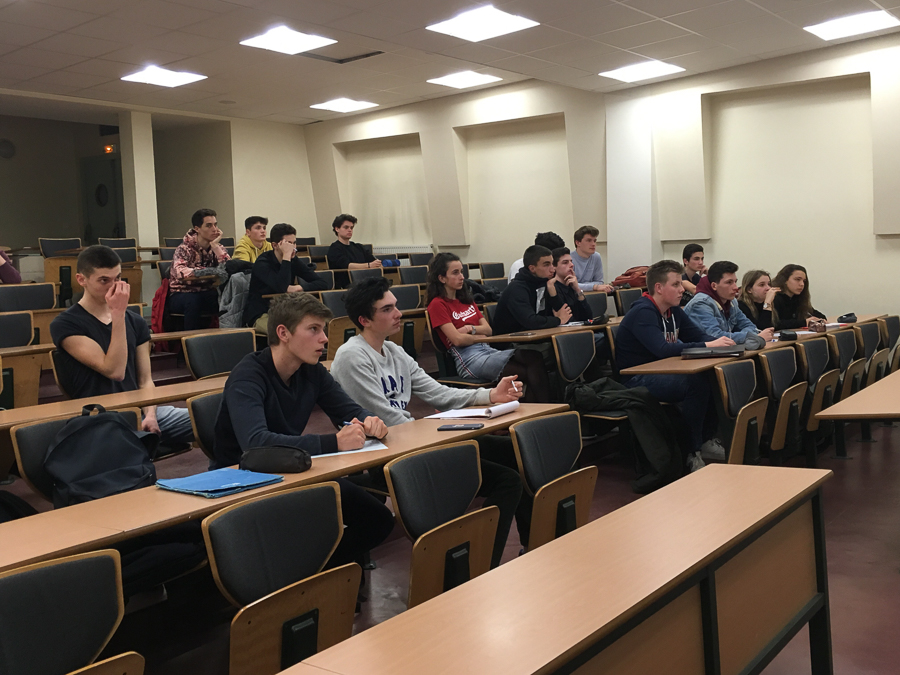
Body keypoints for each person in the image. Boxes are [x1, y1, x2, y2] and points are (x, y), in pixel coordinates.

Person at [331, 277, 527, 567]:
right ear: (364, 320)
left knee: (515, 452)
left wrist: (490, 395)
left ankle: (531, 545)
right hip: (385, 455)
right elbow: (385, 419)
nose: (398, 314)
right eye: (387, 309)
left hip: (414, 442)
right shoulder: (351, 357)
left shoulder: (395, 351)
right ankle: (482, 567)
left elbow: (438, 393)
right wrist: (432, 431)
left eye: (396, 306)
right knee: (506, 481)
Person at [213, 292, 395, 571]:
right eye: (313, 329)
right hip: (243, 480)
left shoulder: (312, 371)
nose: (324, 339)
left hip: (295, 470)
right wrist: (333, 442)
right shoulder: (248, 375)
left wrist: (370, 421)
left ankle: (320, 573)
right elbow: (256, 444)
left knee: (378, 519)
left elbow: (349, 410)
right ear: (283, 333)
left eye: (323, 330)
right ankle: (304, 575)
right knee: (318, 525)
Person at [50, 246, 194, 446]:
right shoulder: (66, 324)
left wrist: (150, 415)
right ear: (81, 280)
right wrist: (118, 314)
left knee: (213, 416)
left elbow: (145, 381)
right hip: (101, 418)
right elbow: (115, 370)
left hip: (139, 411)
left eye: (117, 278)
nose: (114, 287)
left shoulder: (135, 321)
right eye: (104, 280)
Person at [615, 260, 734, 472]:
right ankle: (691, 451)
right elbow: (662, 349)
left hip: (664, 372)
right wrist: (707, 345)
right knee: (695, 384)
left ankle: (706, 439)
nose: (682, 290)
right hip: (634, 379)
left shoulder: (674, 311)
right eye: (676, 284)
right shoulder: (643, 312)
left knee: (713, 377)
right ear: (659, 288)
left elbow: (699, 336)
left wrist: (722, 344)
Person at [426, 253, 550, 402]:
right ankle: (544, 408)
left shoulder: (466, 299)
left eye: (461, 272)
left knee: (534, 357)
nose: (462, 277)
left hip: (487, 350)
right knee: (528, 371)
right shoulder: (437, 304)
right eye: (455, 273)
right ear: (442, 278)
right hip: (469, 359)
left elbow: (488, 330)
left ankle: (541, 409)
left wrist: (469, 329)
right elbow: (457, 340)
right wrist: (478, 336)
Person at [244, 223, 328, 334]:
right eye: (288, 243)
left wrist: (300, 287)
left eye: (294, 243)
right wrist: (286, 257)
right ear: (275, 245)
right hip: (261, 313)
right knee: (287, 333)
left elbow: (323, 283)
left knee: (319, 325)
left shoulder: (293, 260)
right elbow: (282, 287)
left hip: (286, 311)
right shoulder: (262, 263)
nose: (293, 248)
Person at [684, 261, 775, 343]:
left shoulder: (732, 301)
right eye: (729, 282)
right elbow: (715, 337)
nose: (735, 287)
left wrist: (750, 336)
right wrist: (752, 337)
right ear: (714, 286)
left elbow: (750, 326)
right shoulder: (701, 304)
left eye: (735, 282)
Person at [168, 208, 230, 330]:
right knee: (193, 301)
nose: (215, 229)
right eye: (209, 225)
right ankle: (191, 338)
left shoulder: (217, 247)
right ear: (197, 229)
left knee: (227, 298)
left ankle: (226, 334)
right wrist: (207, 271)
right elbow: (180, 272)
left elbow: (229, 267)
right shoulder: (184, 248)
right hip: (181, 292)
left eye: (215, 225)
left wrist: (215, 247)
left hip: (206, 290)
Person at [492, 245, 572, 335]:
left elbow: (565, 315)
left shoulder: (547, 283)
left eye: (552, 264)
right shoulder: (517, 289)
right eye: (546, 265)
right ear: (532, 268)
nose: (552, 269)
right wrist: (558, 320)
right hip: (510, 340)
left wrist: (553, 294)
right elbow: (530, 321)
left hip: (537, 336)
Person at [771, 264, 826, 330]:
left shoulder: (798, 298)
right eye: (797, 279)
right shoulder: (774, 297)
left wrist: (821, 320)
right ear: (785, 280)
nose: (802, 284)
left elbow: (814, 313)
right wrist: (804, 322)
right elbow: (775, 324)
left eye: (804, 281)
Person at [571, 226, 613, 293]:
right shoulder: (569, 259)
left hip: (592, 294)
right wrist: (594, 287)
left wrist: (582, 286)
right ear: (578, 243)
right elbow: (570, 285)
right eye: (589, 240)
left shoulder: (596, 256)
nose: (593, 244)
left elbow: (600, 282)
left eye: (594, 241)